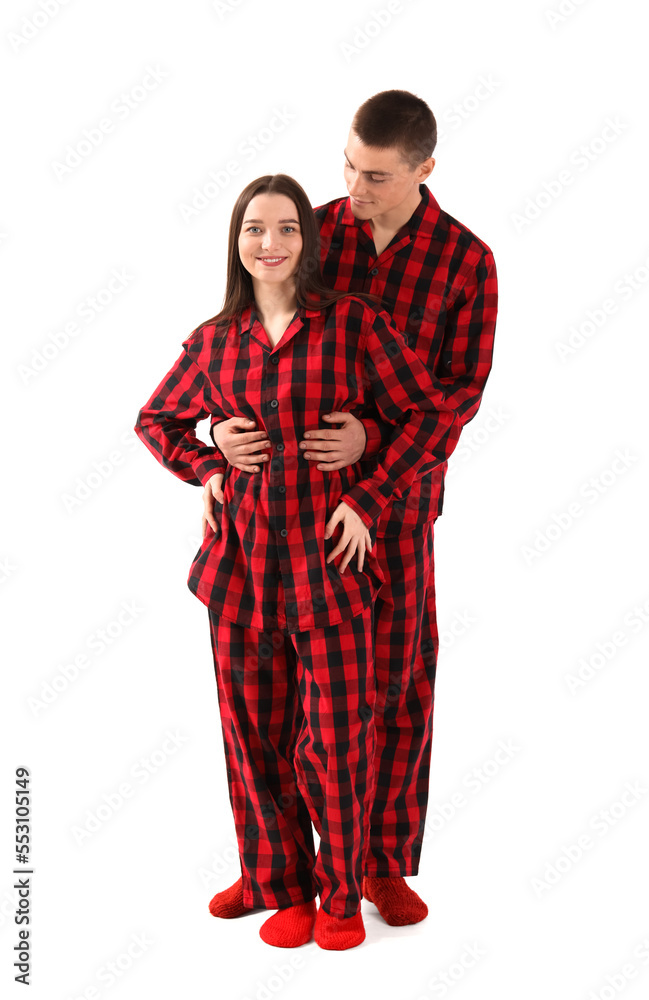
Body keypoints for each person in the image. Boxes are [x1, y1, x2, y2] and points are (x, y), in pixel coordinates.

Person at [134, 173, 462, 950]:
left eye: (286, 228)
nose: (270, 243)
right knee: (252, 728)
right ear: (236, 243)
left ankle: (342, 891)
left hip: (331, 570)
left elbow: (425, 416)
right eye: (254, 229)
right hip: (241, 570)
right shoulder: (214, 341)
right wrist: (208, 458)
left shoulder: (352, 325)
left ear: (308, 242)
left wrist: (367, 496)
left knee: (337, 732)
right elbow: (155, 421)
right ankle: (275, 879)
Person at [206, 90, 499, 927]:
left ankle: (377, 866)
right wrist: (214, 456)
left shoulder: (465, 262)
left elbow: (454, 400)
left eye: (373, 175)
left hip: (396, 509)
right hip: (283, 517)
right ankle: (276, 873)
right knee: (274, 698)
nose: (352, 187)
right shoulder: (310, 231)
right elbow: (245, 336)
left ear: (423, 170)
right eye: (346, 166)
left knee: (395, 686)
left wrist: (372, 451)